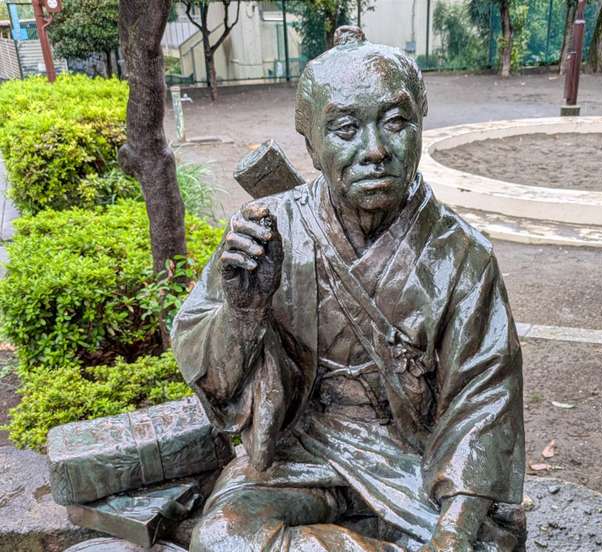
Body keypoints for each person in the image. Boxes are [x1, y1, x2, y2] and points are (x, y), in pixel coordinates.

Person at [172, 26, 525, 552]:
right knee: (224, 537)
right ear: (311, 145)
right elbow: (211, 375)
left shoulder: (462, 254)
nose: (375, 150)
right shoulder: (267, 234)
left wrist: (453, 532)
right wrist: (243, 311)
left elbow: (484, 399)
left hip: (416, 459)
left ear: (420, 126)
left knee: (485, 545)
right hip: (302, 451)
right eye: (345, 128)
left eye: (396, 122)